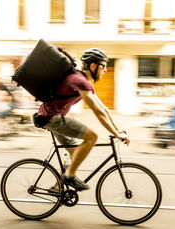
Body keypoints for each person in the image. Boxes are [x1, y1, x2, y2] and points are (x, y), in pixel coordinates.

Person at [33, 48, 130, 191]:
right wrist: (116, 134)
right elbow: (97, 112)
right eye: (103, 66)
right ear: (93, 66)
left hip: (49, 117)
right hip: (53, 118)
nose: (105, 70)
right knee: (92, 137)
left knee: (75, 154)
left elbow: (104, 110)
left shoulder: (84, 82)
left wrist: (117, 130)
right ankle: (69, 176)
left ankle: (57, 188)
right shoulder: (79, 81)